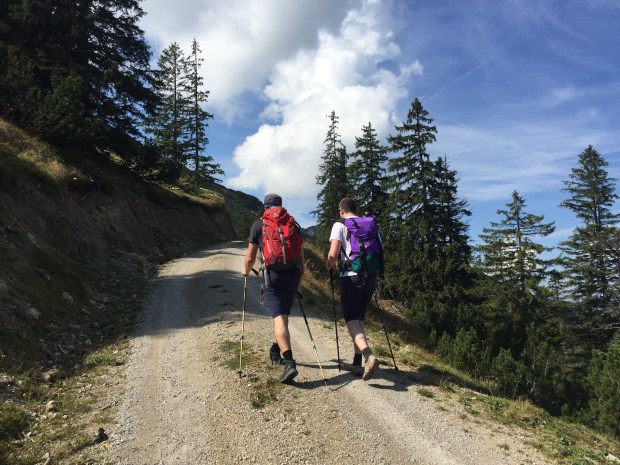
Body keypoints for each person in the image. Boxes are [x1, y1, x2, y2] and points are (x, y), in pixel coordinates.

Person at [241, 193, 304, 384]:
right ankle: (275, 349)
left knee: (279, 319)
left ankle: (289, 363)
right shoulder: (293, 224)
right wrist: (299, 284)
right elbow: (301, 259)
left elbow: (250, 257)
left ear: (265, 207)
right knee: (282, 315)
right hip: (292, 275)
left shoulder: (259, 224)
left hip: (273, 276)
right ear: (280, 205)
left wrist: (245, 271)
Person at [325, 197, 380, 380]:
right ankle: (357, 364)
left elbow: (333, 253)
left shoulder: (340, 225)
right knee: (360, 318)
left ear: (341, 210)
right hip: (370, 276)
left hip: (350, 277)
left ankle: (368, 355)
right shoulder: (370, 226)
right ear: (355, 209)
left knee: (351, 320)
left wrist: (329, 264)